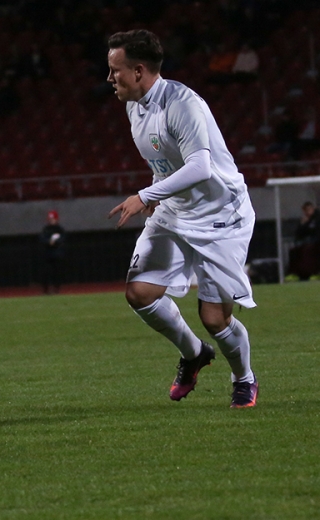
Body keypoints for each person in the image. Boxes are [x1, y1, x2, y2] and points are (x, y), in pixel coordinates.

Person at [106, 29, 258, 408]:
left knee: (215, 318)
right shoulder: (134, 106)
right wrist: (158, 191)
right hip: (175, 211)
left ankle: (244, 378)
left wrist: (145, 196)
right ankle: (194, 354)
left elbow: (200, 167)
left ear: (138, 71)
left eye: (115, 70)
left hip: (220, 216)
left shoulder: (182, 104)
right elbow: (165, 162)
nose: (110, 78)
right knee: (140, 293)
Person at [289, 201, 320, 280]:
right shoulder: (306, 220)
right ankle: (296, 273)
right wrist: (302, 224)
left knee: (308, 250)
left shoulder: (317, 218)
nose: (308, 212)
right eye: (306, 210)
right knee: (294, 251)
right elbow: (299, 233)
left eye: (309, 209)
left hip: (316, 242)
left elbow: (315, 231)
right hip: (308, 242)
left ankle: (315, 272)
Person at [39, 210, 65, 294]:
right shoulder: (46, 229)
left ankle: (56, 289)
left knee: (57, 273)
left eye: (53, 219)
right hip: (47, 255)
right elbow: (42, 239)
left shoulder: (60, 229)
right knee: (46, 273)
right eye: (50, 219)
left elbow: (62, 239)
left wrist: (55, 242)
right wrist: (48, 242)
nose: (51, 221)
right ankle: (46, 290)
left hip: (57, 255)